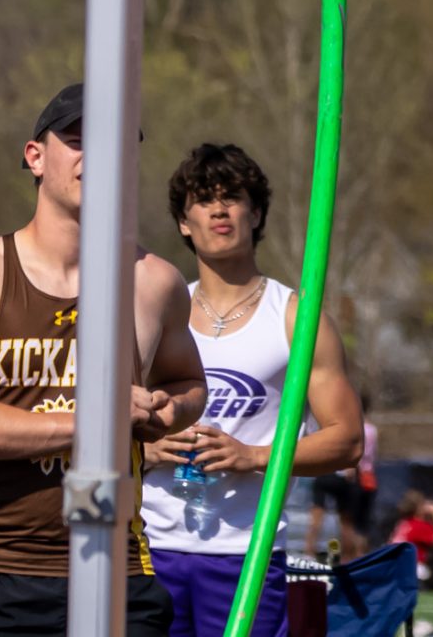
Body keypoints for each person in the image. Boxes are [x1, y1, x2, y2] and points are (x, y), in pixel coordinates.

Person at [0, 83, 204, 637]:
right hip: (1, 574)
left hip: (121, 573)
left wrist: (169, 409)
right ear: (35, 156)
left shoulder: (155, 282)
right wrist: (96, 421)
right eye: (78, 140)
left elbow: (189, 382)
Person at [144, 140, 363, 637]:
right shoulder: (157, 312)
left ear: (256, 212)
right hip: (151, 550)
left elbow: (348, 440)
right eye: (204, 199)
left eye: (232, 197)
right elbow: (95, 420)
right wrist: (147, 449)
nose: (219, 209)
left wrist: (254, 456)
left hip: (247, 553)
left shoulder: (297, 318)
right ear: (183, 222)